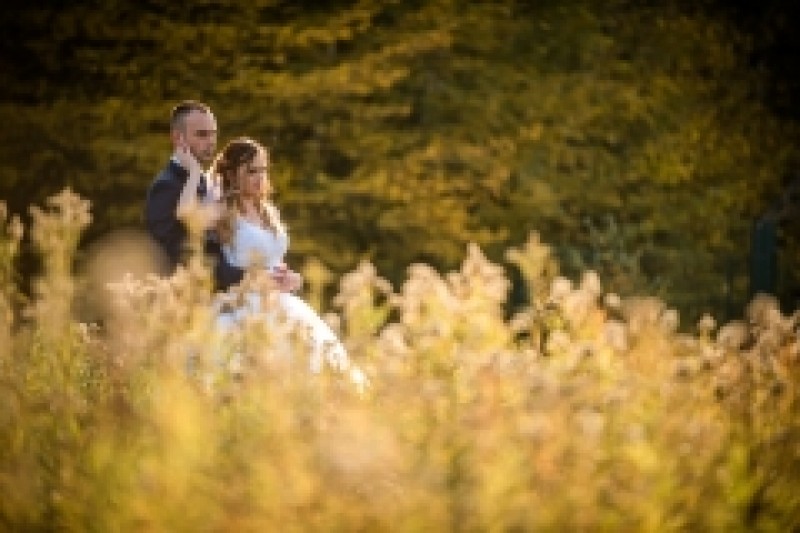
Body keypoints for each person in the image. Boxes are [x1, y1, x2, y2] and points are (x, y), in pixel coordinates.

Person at [210, 136, 365, 386]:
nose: (260, 177)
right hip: (244, 302)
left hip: (282, 301)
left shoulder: (267, 211)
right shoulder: (222, 213)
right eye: (251, 171)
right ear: (231, 174)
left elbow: (275, 260)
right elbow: (203, 243)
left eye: (263, 170)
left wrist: (292, 278)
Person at [145, 100, 295, 292]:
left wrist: (284, 278)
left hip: (253, 290)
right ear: (177, 138)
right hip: (193, 296)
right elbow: (179, 254)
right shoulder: (166, 185)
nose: (210, 141)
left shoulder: (213, 186)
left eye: (213, 134)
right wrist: (252, 279)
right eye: (202, 134)